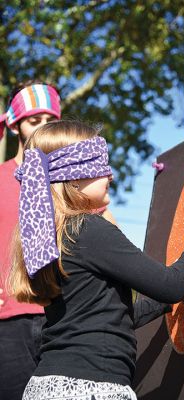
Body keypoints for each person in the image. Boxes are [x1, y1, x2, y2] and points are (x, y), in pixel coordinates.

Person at [8, 120, 184, 400]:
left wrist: (170, 300)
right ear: (74, 176)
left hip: (47, 384)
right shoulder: (89, 229)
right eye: (100, 166)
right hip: (90, 387)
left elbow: (118, 314)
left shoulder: (54, 237)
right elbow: (171, 285)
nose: (110, 175)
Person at [0, 82, 116, 400]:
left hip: (69, 314)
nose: (42, 125)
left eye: (49, 118)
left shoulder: (69, 182)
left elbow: (110, 235)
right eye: (33, 120)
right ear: (16, 125)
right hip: (12, 318)